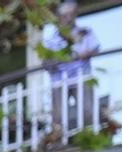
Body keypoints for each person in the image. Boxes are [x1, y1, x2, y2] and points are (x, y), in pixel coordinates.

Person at [42, 2, 102, 130]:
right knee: (58, 116)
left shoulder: (85, 32)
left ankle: (88, 137)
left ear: (75, 15)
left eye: (71, 15)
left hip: (81, 76)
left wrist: (82, 55)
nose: (68, 19)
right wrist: (53, 62)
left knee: (87, 110)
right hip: (58, 80)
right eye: (64, 16)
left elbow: (95, 49)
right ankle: (59, 143)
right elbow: (45, 63)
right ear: (58, 18)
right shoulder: (51, 38)